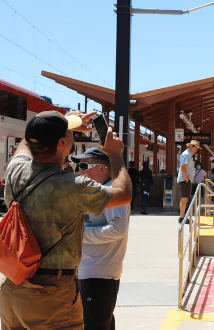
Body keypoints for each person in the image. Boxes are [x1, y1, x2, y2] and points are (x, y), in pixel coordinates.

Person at [0, 110, 131, 330]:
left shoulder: (15, 169)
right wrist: (115, 155)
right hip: (51, 294)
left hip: (12, 288)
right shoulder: (73, 186)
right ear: (63, 142)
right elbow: (123, 194)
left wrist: (61, 122)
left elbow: (27, 142)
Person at [72, 147, 130, 330]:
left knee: (94, 325)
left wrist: (78, 233)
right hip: (92, 272)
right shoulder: (100, 191)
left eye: (84, 165)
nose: (79, 171)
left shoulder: (110, 191)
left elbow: (118, 228)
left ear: (102, 168)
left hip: (98, 274)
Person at [176, 140, 200, 224]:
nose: (196, 149)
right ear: (190, 146)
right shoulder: (186, 154)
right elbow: (183, 168)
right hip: (184, 180)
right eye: (195, 147)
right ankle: (182, 218)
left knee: (185, 199)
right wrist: (187, 180)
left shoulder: (189, 155)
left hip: (186, 180)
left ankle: (183, 217)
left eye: (197, 148)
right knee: (184, 199)